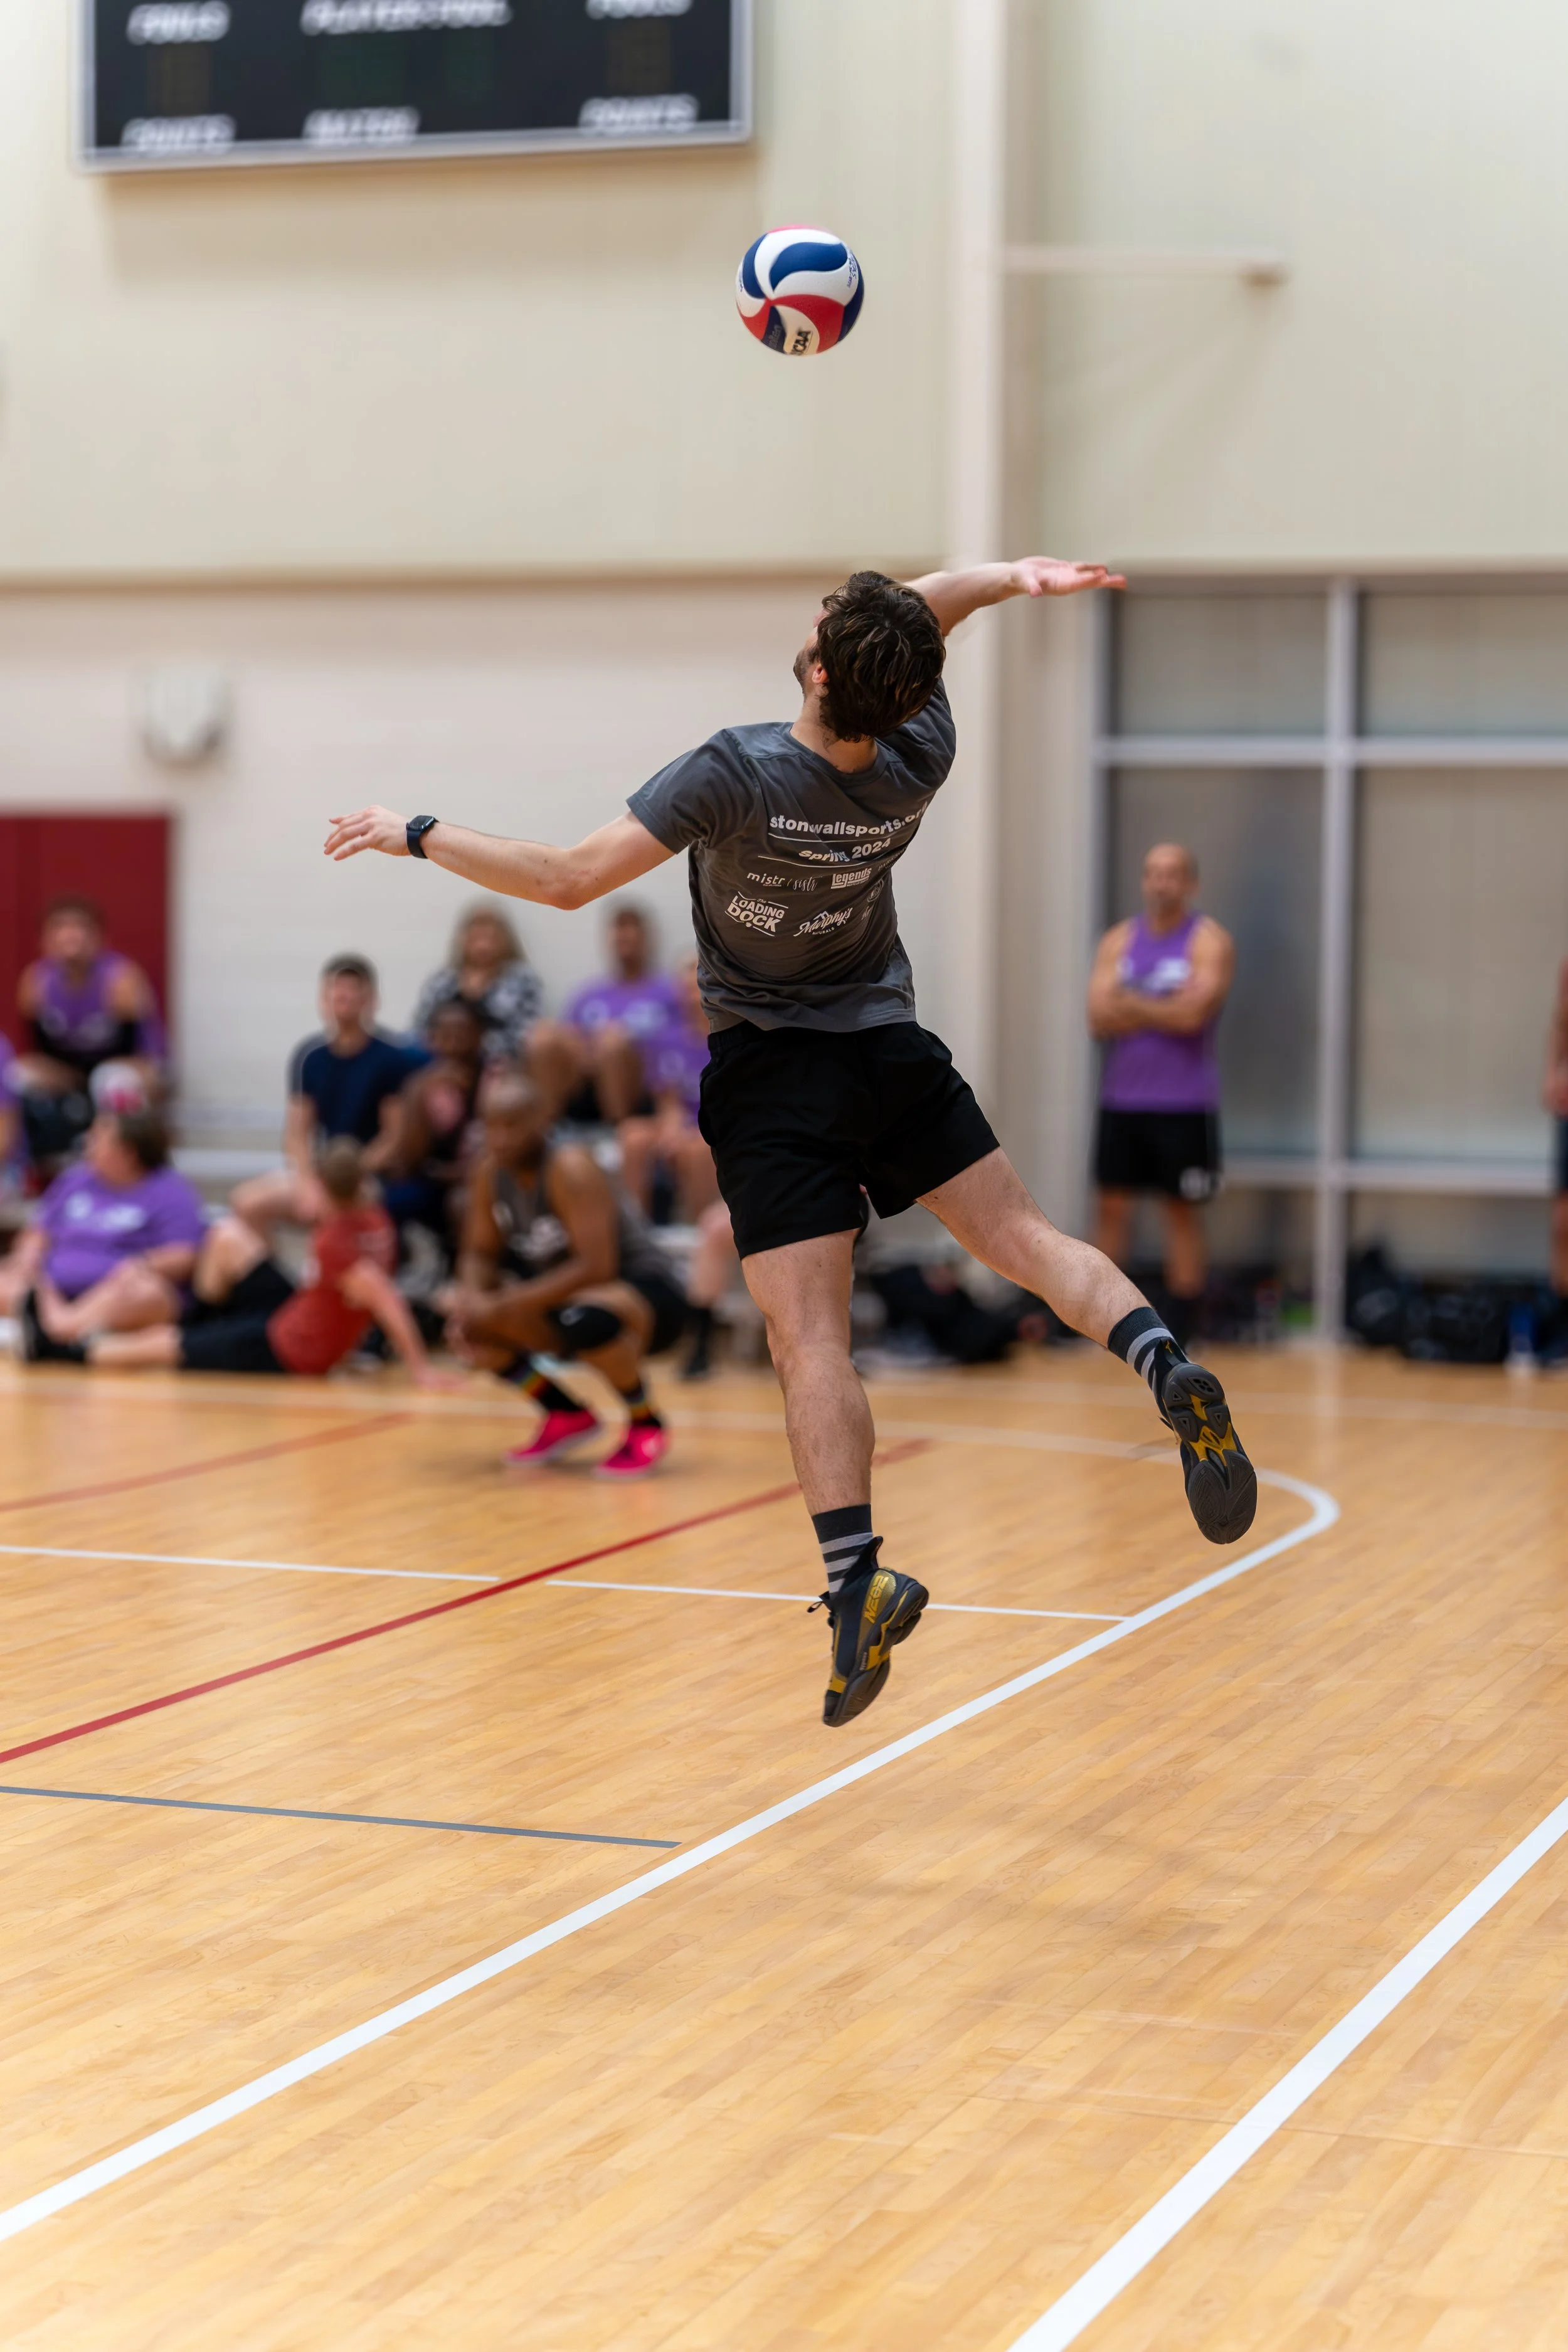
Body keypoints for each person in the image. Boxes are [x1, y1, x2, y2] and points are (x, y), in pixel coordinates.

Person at [326, 559, 1257, 1730]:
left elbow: (565, 880)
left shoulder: (733, 771)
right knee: (1025, 1239)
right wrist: (1005, 580)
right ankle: (1164, 1362)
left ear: (820, 670)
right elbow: (916, 623)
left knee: (810, 1338)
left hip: (771, 1081)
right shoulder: (920, 753)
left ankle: (857, 1583)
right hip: (887, 1051)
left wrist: (414, 831)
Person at [441, 1073, 687, 1478]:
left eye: (512, 1125)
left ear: (542, 1121)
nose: (500, 1138)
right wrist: (473, 1300)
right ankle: (565, 1414)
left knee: (587, 1320)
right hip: (565, 1295)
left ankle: (646, 1423)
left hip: (645, 1291)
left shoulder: (570, 1167)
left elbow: (597, 1267)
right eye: (492, 1127)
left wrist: (502, 1304)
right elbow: (479, 1253)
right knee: (473, 1330)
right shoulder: (489, 1172)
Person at [80, 1139, 450, 1384]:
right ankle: (125, 1338)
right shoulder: (377, 1220)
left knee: (170, 1345)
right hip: (291, 1325)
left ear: (324, 1187)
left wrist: (421, 1370)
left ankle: (84, 1352)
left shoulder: (335, 1239)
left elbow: (384, 1299)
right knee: (224, 1243)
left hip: (286, 1350)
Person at [1088, 844, 1236, 1345]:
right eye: (1153, 873)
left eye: (1172, 874)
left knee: (1182, 1211)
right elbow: (1098, 1017)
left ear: (1190, 883)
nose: (1161, 882)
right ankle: (1106, 1320)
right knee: (1111, 1208)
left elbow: (1193, 1016)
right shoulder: (1119, 940)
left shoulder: (1209, 941)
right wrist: (1163, 1004)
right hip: (1123, 1100)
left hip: (1184, 1104)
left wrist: (1129, 1003)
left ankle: (1184, 1323)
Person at [230, 954, 426, 1237]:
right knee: (247, 1202)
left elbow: (393, 1137)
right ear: (324, 998)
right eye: (337, 988)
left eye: (353, 989)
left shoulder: (391, 1058)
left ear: (370, 999)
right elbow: (297, 1133)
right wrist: (306, 1180)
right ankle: (270, 1267)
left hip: (367, 1174)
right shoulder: (310, 1057)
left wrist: (348, 1173)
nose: (344, 996)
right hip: (322, 1170)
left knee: (339, 1210)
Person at [1, 1108, 204, 1354]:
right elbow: (38, 1231)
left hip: (115, 1291)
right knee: (10, 1277)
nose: (87, 1143)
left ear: (128, 1152)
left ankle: (53, 1331)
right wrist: (30, 1255)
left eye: (98, 1138)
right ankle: (66, 1334)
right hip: (52, 1288)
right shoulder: (75, 1180)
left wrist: (142, 1264)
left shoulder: (171, 1190)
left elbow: (185, 1254)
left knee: (150, 1295)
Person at [11, 897, 166, 1168]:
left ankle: (129, 1161)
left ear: (99, 938)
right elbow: (39, 1050)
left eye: (80, 927)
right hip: (69, 1071)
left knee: (113, 1081)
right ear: (45, 939)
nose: (71, 936)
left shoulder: (121, 979)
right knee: (16, 1076)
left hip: (127, 1066)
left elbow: (138, 1051)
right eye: (61, 927)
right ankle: (33, 1161)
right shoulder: (35, 982)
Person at [527, 902, 681, 1125]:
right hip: (586, 1076)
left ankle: (618, 1129)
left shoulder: (669, 991)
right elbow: (568, 1040)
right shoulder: (589, 994)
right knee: (543, 1035)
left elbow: (683, 1042)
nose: (625, 936)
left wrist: (616, 1042)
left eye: (632, 928)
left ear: (647, 937)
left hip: (641, 1079)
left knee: (612, 1042)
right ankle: (547, 1129)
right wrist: (592, 1051)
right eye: (619, 928)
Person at [616, 955, 718, 1221]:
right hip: (684, 1120)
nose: (691, 997)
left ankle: (700, 1230)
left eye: (696, 988)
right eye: (685, 989)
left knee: (697, 1149)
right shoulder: (667, 1038)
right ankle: (637, 1227)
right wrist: (672, 1128)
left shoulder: (729, 1039)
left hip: (717, 1125)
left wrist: (690, 1131)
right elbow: (668, 1100)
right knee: (633, 1136)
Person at [381, 998, 487, 1252]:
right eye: (446, 1035)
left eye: (463, 1033)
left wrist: (461, 1174)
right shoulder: (421, 1083)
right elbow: (408, 1158)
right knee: (394, 1199)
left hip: (484, 1180)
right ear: (432, 1039)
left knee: (464, 1201)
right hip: (436, 1180)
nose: (454, 1043)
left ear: (480, 1035)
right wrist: (419, 1092)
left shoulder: (498, 1077)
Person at [410, 901, 544, 1066]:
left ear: (506, 940)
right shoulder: (442, 980)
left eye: (491, 937)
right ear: (462, 939)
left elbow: (527, 1033)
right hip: (440, 1060)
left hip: (500, 1063)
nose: (483, 944)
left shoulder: (523, 980)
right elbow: (419, 1028)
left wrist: (473, 1047)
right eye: (477, 936)